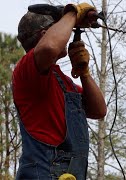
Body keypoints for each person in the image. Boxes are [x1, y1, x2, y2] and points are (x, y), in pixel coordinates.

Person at [12, 3, 107, 180]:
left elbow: (99, 110)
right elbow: (49, 48)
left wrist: (84, 73)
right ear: (44, 34)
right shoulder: (26, 70)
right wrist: (72, 13)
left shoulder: (63, 82)